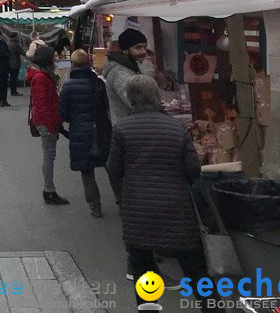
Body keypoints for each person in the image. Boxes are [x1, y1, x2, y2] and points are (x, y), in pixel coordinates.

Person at [107, 75, 206, 301]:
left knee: (144, 274)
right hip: (176, 209)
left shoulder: (122, 129)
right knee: (196, 271)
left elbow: (114, 169)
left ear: (131, 99)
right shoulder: (177, 127)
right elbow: (193, 169)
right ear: (157, 96)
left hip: (138, 212)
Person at [58, 49, 113, 217]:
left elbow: (64, 114)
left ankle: (95, 206)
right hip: (101, 130)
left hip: (80, 132)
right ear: (88, 63)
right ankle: (122, 200)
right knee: (111, 166)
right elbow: (106, 107)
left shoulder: (68, 86)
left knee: (87, 171)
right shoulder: (99, 83)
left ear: (73, 64)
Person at [26, 44, 69, 205]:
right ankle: (49, 190)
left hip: (47, 120)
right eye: (54, 56)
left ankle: (49, 189)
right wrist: (52, 126)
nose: (56, 58)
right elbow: (42, 104)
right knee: (49, 156)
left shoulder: (42, 75)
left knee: (49, 155)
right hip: (46, 121)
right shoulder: (40, 78)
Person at [103, 29, 148, 124]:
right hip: (129, 131)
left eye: (145, 47)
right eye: (138, 47)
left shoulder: (131, 67)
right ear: (125, 50)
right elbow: (136, 102)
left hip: (132, 129)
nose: (143, 51)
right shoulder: (119, 73)